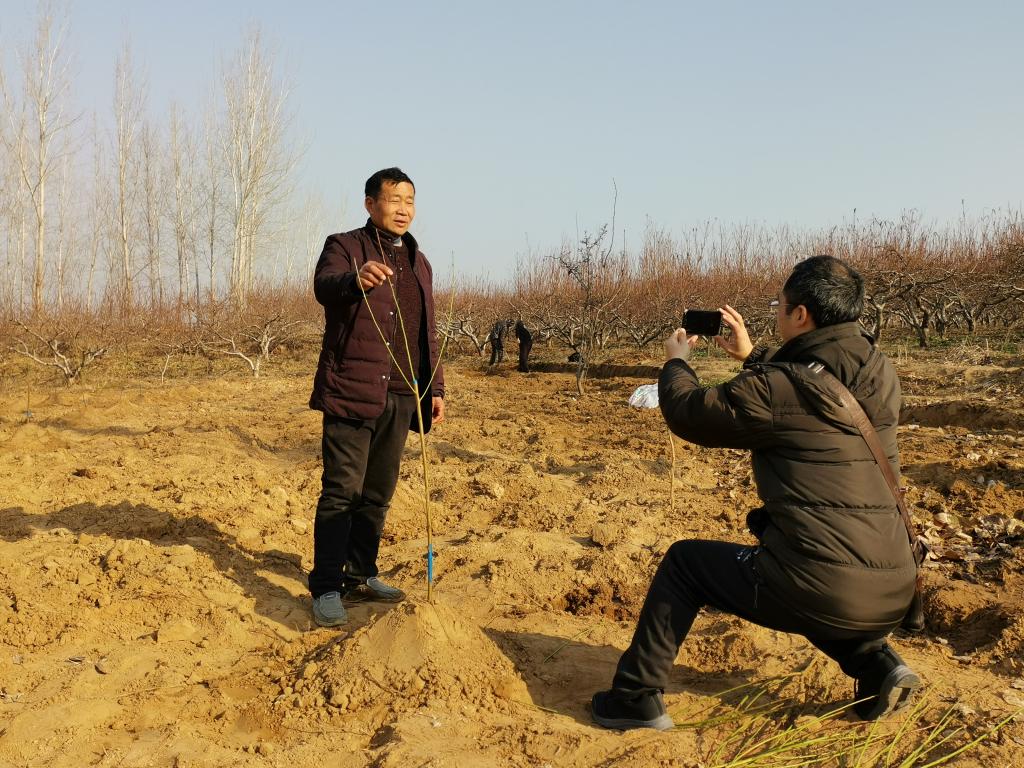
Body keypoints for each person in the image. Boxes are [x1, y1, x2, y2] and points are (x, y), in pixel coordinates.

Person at [591, 255, 920, 730]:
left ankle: (634, 697)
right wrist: (753, 356)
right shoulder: (878, 369)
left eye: (779, 306)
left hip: (824, 586)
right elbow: (812, 384)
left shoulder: (776, 389)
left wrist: (676, 363)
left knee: (687, 564)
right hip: (897, 582)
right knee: (821, 569)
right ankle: (877, 666)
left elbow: (690, 412)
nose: (777, 312)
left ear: (800, 314)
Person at [307, 167, 445, 627]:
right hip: (352, 390)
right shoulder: (345, 247)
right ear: (370, 204)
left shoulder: (420, 262)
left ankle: (360, 572)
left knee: (377, 493)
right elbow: (325, 286)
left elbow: (427, 331)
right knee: (342, 491)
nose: (404, 208)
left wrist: (435, 387)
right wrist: (355, 279)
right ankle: (327, 585)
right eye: (394, 199)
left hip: (404, 393)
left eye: (410, 200)